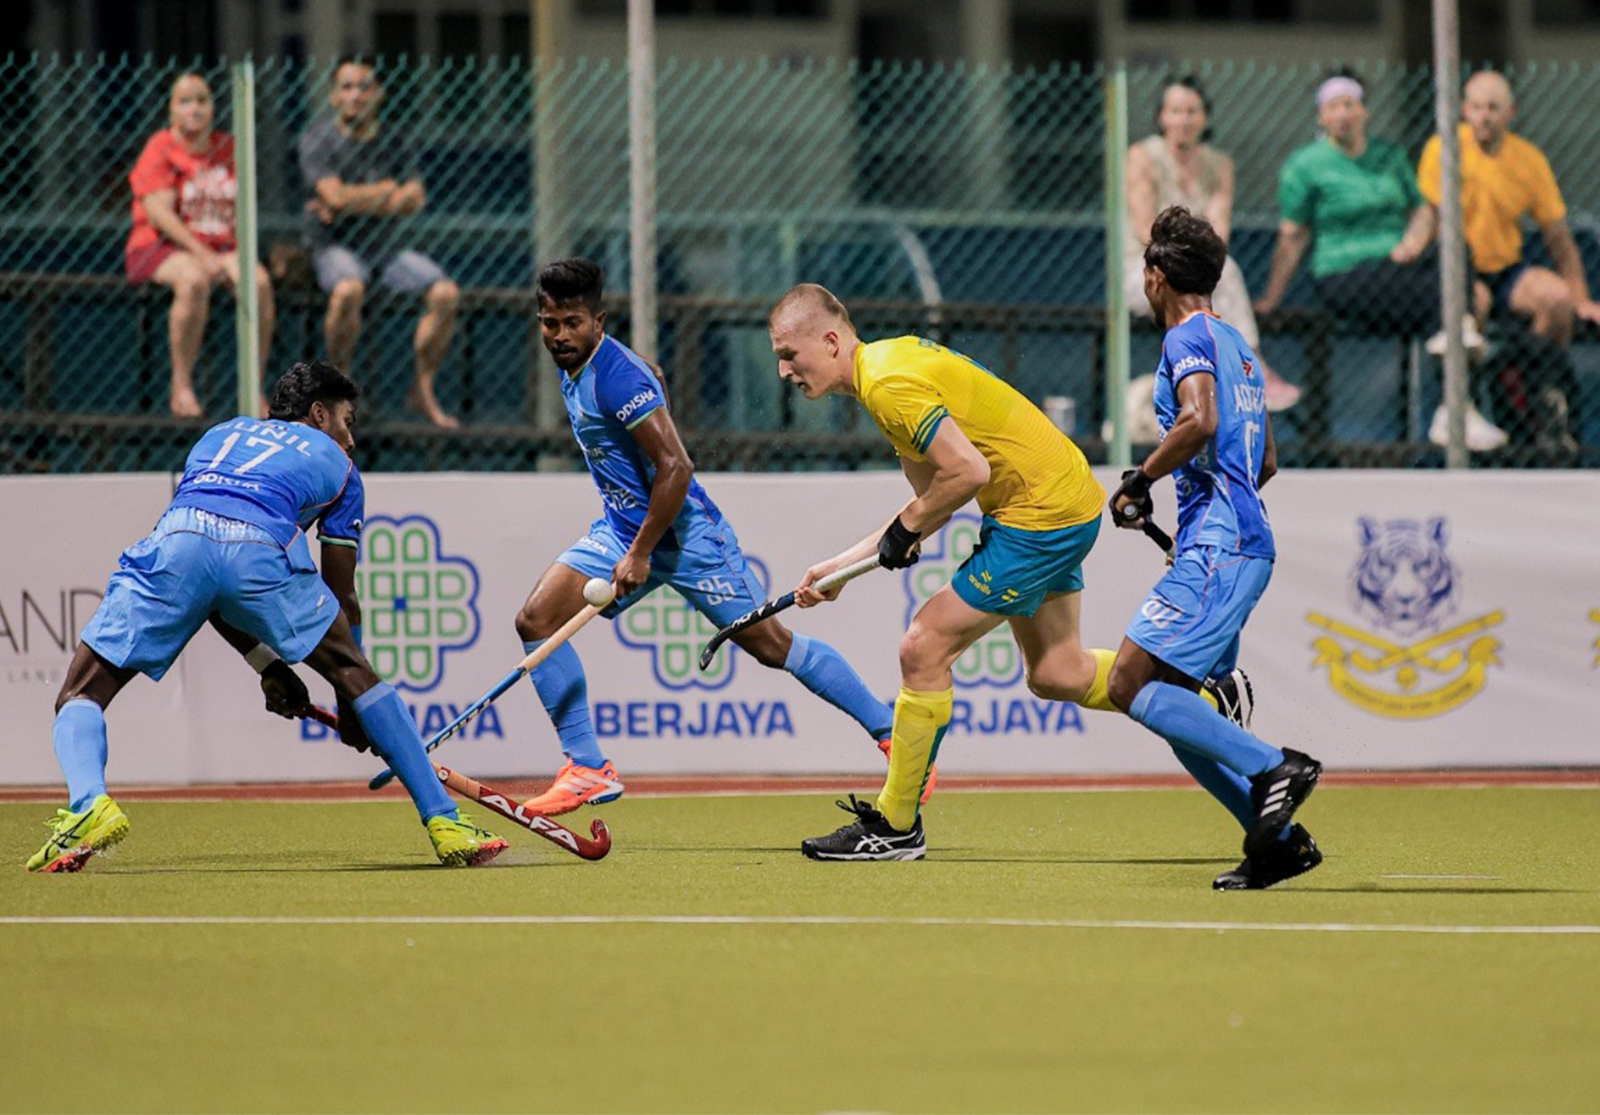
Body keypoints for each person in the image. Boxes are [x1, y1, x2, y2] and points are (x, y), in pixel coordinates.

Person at [767, 284, 1253, 863]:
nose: (782, 371)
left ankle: (896, 825)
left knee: (923, 647)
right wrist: (838, 570)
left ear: (829, 340)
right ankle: (1206, 694)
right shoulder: (887, 370)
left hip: (1038, 515)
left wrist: (909, 527)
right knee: (1056, 671)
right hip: (1063, 500)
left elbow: (964, 474)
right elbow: (928, 504)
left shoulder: (888, 383)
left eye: (789, 354)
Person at [26, 361, 507, 873]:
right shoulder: (341, 467)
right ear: (319, 414)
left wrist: (268, 667)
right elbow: (340, 594)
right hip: (258, 549)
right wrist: (349, 699)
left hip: (177, 541)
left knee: (80, 693)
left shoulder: (220, 435)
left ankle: (88, 807)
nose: (351, 440)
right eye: (348, 423)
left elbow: (207, 577)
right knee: (355, 669)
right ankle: (445, 820)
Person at [512, 258, 911, 816]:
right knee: (536, 619)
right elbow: (653, 376)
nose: (558, 336)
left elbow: (677, 466)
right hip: (623, 528)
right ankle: (586, 768)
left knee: (773, 647)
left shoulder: (617, 376)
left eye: (572, 323)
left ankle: (890, 731)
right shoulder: (584, 365)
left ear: (598, 321)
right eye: (549, 323)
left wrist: (642, 553)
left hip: (688, 537)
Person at [1106, 206, 1323, 890]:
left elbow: (1199, 421)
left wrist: (1142, 476)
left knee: (1129, 683)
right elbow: (1264, 463)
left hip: (1221, 547)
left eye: (1146, 273)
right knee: (1176, 707)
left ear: (1158, 276)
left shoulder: (1185, 339)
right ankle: (1278, 845)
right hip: (1236, 542)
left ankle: (1274, 767)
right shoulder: (1239, 347)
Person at [1253, 69, 1507, 452]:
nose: (1342, 114)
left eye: (1349, 105)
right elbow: (1293, 236)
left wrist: (1413, 241)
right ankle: (1456, 404)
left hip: (1398, 266)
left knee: (1455, 256)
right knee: (1462, 300)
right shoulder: (1305, 165)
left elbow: (1423, 211)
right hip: (1345, 274)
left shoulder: (1388, 157)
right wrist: (1273, 296)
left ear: (1363, 111)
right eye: (1333, 107)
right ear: (1322, 117)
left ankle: (1455, 396)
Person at [1417, 69, 1598, 460]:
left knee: (1555, 299)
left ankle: (1540, 392)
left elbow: (1558, 237)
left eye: (1494, 108)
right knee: (1473, 305)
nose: (1485, 116)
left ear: (1511, 112)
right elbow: (1429, 219)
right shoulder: (1443, 148)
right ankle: (1465, 407)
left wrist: (1581, 297)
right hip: (1460, 271)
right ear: (1464, 110)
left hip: (1507, 269)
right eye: (1478, 107)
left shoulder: (1528, 159)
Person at [298, 56, 461, 429]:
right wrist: (386, 193)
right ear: (334, 96)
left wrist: (351, 200)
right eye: (347, 87)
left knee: (445, 294)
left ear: (378, 94)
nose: (356, 95)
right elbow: (333, 196)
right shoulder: (317, 140)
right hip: (333, 248)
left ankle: (422, 389)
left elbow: (415, 198)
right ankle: (339, 391)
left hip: (383, 251)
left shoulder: (395, 140)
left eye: (364, 87)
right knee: (349, 289)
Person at [1125, 76, 1300, 413]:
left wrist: (1194, 258)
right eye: (1175, 111)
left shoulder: (1220, 165)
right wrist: (1190, 255)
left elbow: (1219, 237)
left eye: (1192, 111)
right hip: (1148, 270)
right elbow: (1147, 233)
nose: (1184, 120)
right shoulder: (1142, 156)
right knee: (1225, 273)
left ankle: (1223, 381)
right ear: (1161, 116)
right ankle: (1250, 368)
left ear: (1205, 117)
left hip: (1202, 272)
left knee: (1224, 269)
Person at [125, 72, 276, 420]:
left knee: (260, 283)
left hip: (220, 247)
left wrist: (236, 253)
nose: (194, 108)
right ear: (171, 110)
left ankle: (254, 385)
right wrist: (202, 254)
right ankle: (181, 386)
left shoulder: (228, 148)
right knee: (193, 281)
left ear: (213, 108)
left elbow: (241, 210)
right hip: (159, 247)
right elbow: (158, 212)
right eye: (185, 101)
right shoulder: (161, 148)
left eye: (202, 100)